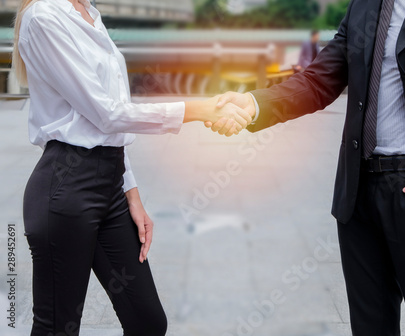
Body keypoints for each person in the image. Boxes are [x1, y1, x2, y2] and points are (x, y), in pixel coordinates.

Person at [209, 0, 405, 335]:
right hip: (359, 193)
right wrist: (255, 103)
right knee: (369, 327)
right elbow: (320, 80)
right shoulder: (364, 5)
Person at [12, 0, 253, 335]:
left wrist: (131, 193)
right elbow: (106, 113)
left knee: (148, 322)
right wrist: (199, 109)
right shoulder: (44, 16)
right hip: (66, 189)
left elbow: (113, 120)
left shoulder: (90, 13)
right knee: (56, 328)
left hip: (109, 187)